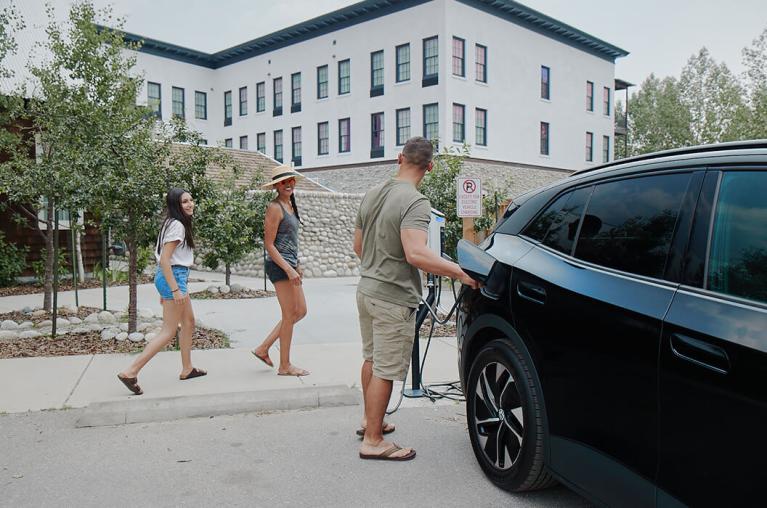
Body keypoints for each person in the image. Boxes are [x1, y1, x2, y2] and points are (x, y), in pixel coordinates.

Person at [353, 136, 479, 461]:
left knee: (371, 358)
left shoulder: (371, 194)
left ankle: (370, 420)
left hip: (366, 290)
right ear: (430, 167)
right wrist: (462, 272)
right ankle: (373, 440)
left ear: (400, 158)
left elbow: (358, 248)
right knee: (385, 367)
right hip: (393, 296)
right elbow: (416, 253)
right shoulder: (415, 201)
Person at [117, 188, 206, 395]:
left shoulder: (173, 223)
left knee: (189, 322)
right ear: (176, 205)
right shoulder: (177, 226)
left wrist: (168, 286)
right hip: (174, 277)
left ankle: (187, 368)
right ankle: (131, 371)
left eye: (191, 200)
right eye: (185, 202)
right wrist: (174, 289)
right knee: (168, 331)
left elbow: (165, 261)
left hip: (171, 277)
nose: (190, 204)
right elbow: (166, 260)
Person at [251, 164, 310, 377]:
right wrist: (288, 269)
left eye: (291, 180)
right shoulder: (275, 207)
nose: (289, 184)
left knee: (300, 311)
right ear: (276, 185)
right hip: (279, 267)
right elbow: (269, 244)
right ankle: (285, 365)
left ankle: (263, 348)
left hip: (290, 266)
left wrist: (297, 265)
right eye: (284, 181)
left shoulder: (291, 206)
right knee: (289, 315)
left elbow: (290, 241)